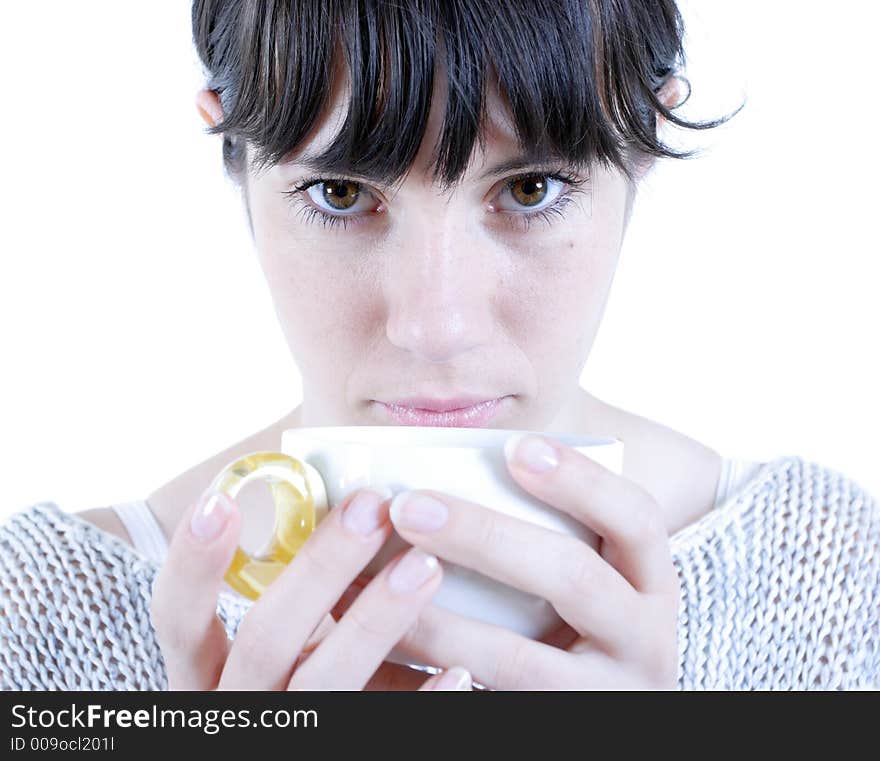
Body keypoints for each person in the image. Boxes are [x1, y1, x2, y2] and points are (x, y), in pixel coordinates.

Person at [2, 0, 877, 691]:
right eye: (342, 194)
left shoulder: (831, 584)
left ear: (645, 137)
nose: (436, 326)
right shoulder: (38, 620)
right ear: (232, 143)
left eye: (531, 188)